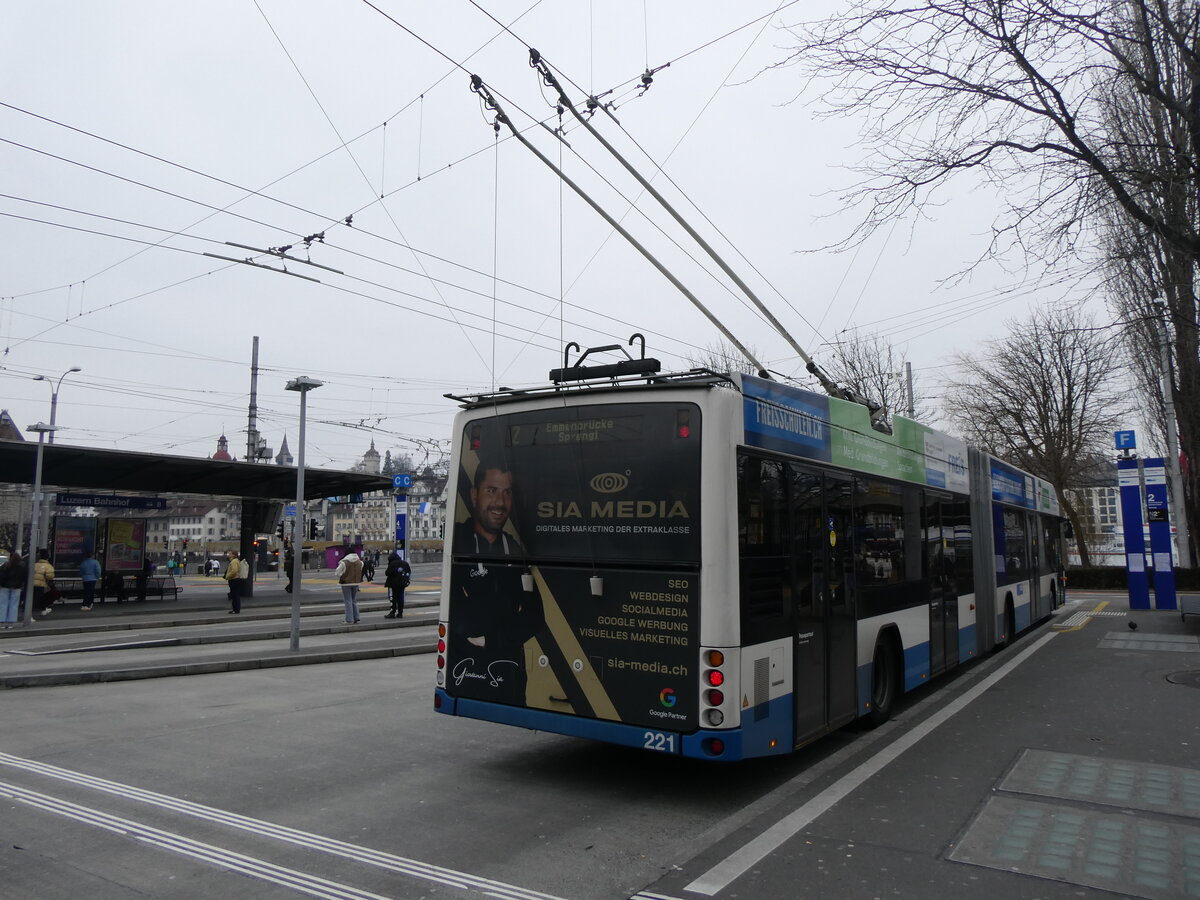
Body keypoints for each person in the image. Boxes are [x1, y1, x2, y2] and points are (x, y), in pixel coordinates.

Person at [447, 459, 543, 706]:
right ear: (474, 495)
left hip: (511, 677)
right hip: (468, 672)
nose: (500, 503)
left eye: (507, 493)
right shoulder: (458, 543)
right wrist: (509, 617)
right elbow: (460, 619)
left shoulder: (513, 549)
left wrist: (488, 638)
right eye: (491, 490)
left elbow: (535, 617)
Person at [334, 550, 364, 624]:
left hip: (346, 584)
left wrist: (342, 576)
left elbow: (337, 572)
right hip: (356, 583)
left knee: (348, 601)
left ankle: (349, 619)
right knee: (354, 600)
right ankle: (356, 617)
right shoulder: (360, 562)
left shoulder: (344, 562)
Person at [0, 552, 26, 628]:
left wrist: (1, 584)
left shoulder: (6, 565)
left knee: (3, 604)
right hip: (17, 587)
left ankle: (2, 622)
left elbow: (2, 576)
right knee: (14, 605)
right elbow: (24, 576)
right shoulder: (22, 566)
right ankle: (11, 622)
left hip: (5, 587)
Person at [383, 550, 411, 618]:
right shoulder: (405, 563)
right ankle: (400, 613)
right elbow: (409, 572)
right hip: (402, 583)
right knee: (400, 598)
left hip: (393, 584)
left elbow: (387, 573)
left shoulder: (392, 564)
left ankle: (392, 612)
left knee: (393, 598)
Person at [34, 549, 56, 616]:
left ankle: (40, 609)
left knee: (34, 597)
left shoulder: (35, 564)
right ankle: (43, 609)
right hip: (41, 584)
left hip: (32, 583)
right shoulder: (48, 566)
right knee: (41, 597)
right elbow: (50, 576)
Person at [223, 549, 245, 614]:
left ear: (233, 555)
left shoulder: (234, 562)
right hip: (235, 579)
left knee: (235, 595)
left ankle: (236, 609)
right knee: (235, 595)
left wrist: (228, 576)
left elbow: (234, 571)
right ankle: (235, 609)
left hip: (234, 579)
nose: (228, 555)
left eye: (230, 554)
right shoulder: (235, 561)